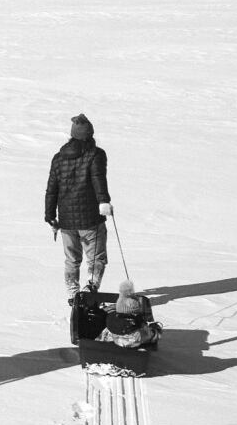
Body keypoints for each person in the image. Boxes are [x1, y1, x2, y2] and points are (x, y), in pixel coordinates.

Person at [45, 114, 112, 304]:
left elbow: (52, 188)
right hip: (91, 219)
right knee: (96, 258)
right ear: (89, 135)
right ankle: (90, 290)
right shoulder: (96, 154)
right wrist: (104, 202)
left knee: (72, 259)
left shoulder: (58, 158)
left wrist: (50, 215)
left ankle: (73, 294)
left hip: (66, 220)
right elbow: (99, 179)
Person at [96, 280, 162, 348]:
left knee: (108, 332)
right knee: (149, 334)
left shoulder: (110, 319)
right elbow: (149, 334)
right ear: (134, 313)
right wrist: (154, 331)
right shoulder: (136, 325)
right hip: (131, 341)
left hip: (114, 338)